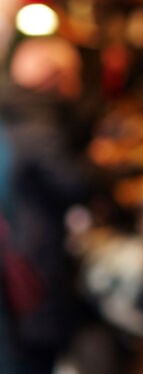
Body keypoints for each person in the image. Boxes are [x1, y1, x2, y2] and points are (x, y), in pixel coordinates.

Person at [0, 35, 94, 373]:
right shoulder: (35, 118)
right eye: (72, 77)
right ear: (53, 76)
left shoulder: (11, 110)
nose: (75, 88)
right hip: (30, 267)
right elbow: (73, 182)